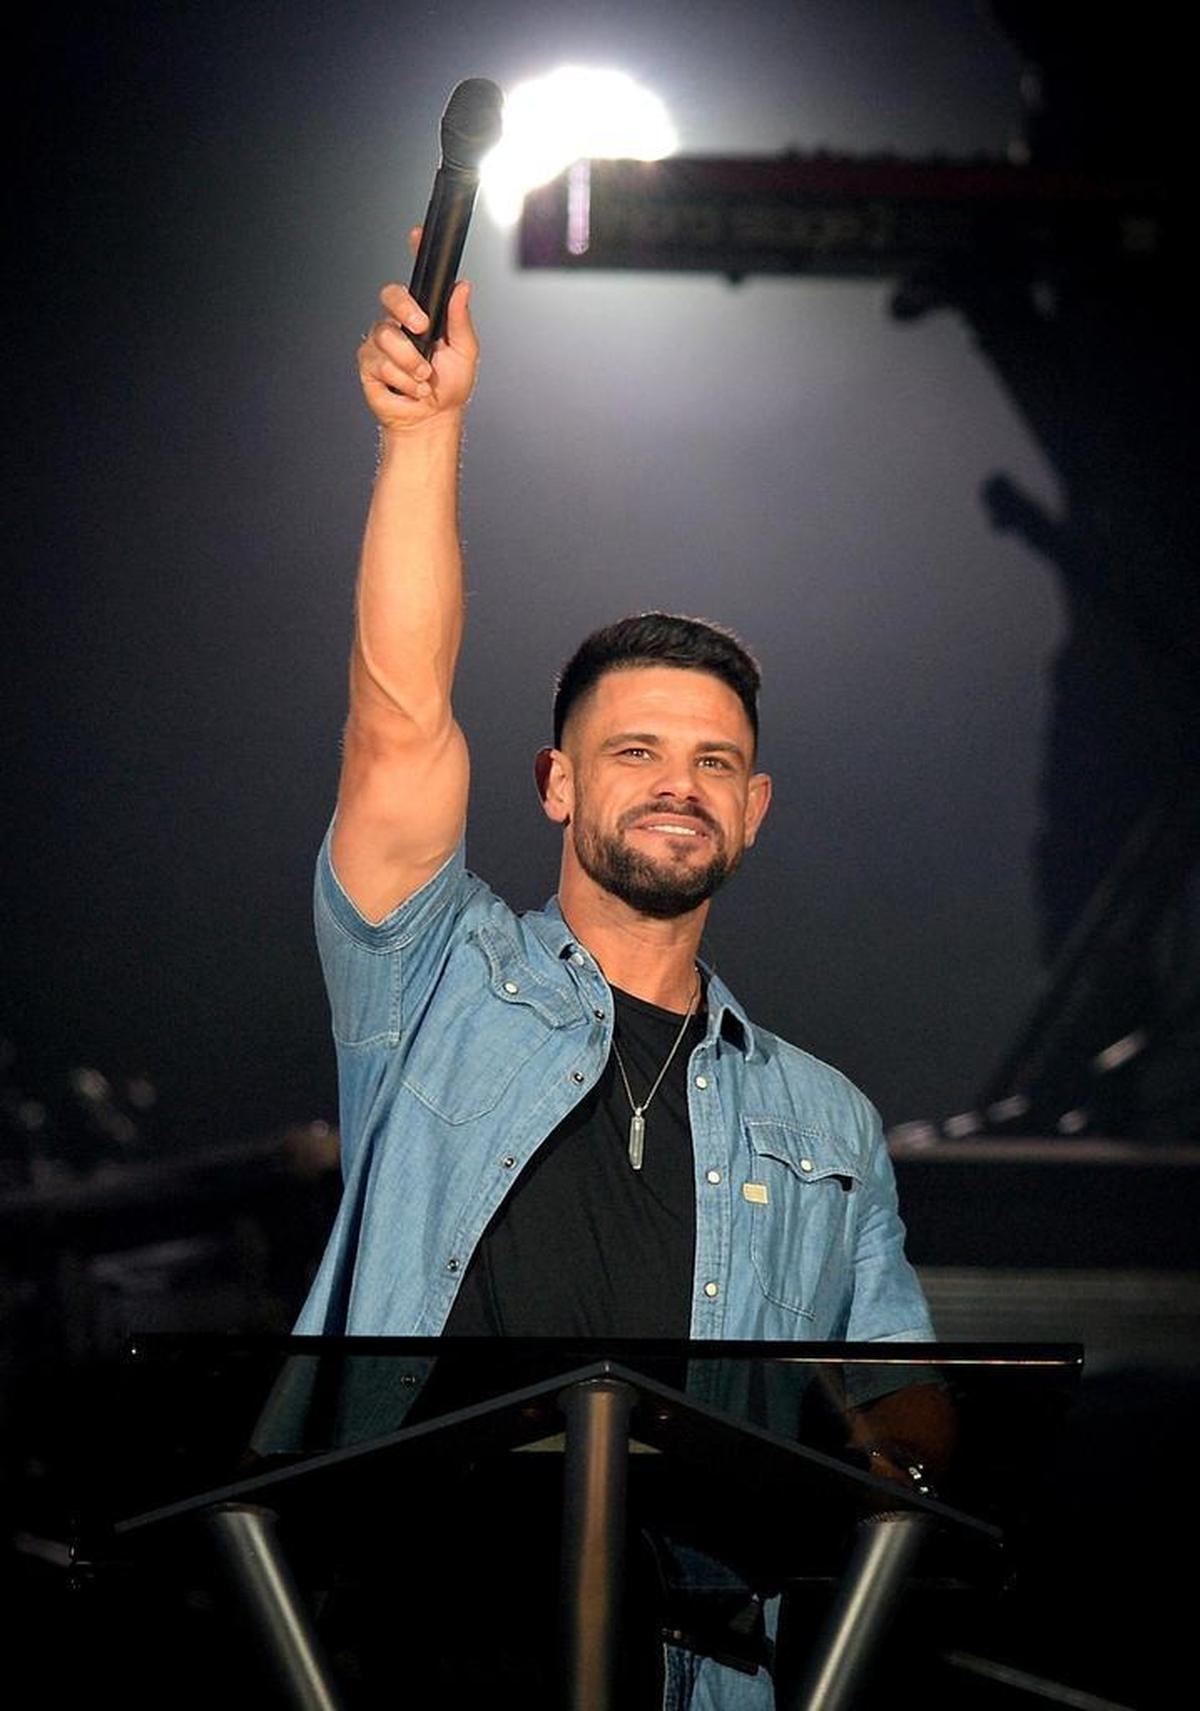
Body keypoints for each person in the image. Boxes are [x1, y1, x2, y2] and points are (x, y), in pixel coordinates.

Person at [293, 250, 943, 1707]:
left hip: (698, 1665)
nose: (679, 784)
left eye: (716, 760)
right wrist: (422, 436)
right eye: (636, 751)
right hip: (426, 1636)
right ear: (552, 783)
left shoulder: (827, 1118)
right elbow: (401, 721)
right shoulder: (436, 982)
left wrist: (890, 1476)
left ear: (755, 807)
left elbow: (906, 1397)